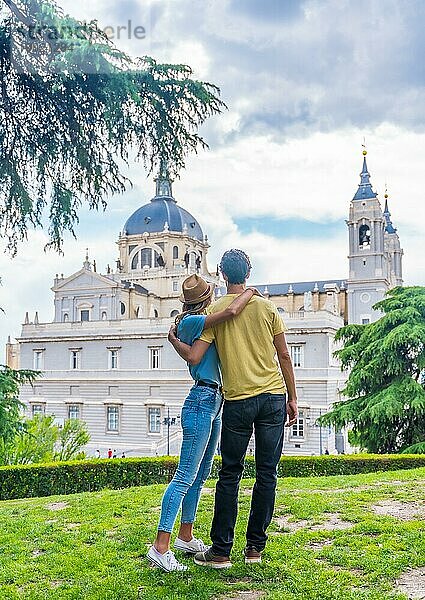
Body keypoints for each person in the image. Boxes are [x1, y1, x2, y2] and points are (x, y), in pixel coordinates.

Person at [169, 249, 298, 568]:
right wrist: (292, 398)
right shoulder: (268, 308)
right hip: (273, 397)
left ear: (222, 274)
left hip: (238, 400)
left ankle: (221, 551)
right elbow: (284, 356)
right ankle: (254, 548)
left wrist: (173, 339)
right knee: (268, 473)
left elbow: (196, 355)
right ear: (248, 273)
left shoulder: (214, 310)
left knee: (230, 474)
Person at [147, 273, 260, 573]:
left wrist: (173, 342)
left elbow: (193, 354)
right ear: (206, 298)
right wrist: (251, 291)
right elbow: (232, 311)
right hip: (202, 400)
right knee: (185, 476)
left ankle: (185, 536)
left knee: (200, 475)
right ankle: (160, 547)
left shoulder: (189, 324)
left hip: (214, 401)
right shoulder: (193, 322)